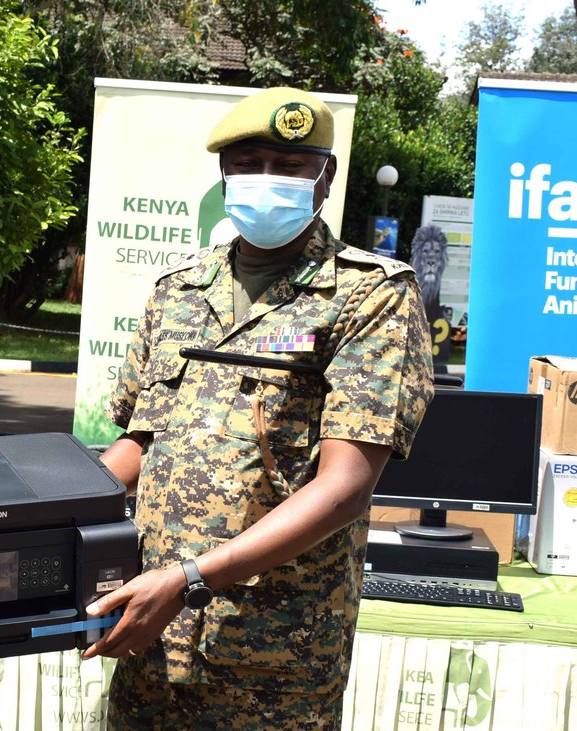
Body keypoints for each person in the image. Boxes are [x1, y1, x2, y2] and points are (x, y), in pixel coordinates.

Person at [83, 87, 434, 729]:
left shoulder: (370, 297)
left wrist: (188, 579)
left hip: (274, 653)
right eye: (248, 163)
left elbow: (345, 488)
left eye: (290, 166)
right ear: (224, 175)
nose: (265, 180)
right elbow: (138, 441)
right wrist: (29, 506)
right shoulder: (178, 291)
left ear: (325, 177)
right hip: (153, 638)